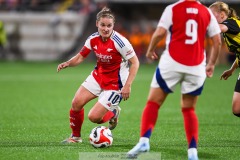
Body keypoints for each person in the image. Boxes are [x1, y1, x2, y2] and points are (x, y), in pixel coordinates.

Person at [127, 0, 222, 160]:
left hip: (172, 63)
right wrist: (211, 64)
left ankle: (144, 141)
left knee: (153, 102)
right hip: (197, 66)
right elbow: (217, 41)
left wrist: (150, 51)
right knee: (188, 109)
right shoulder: (206, 12)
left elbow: (159, 33)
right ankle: (192, 153)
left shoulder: (173, 9)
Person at [57, 7, 139, 143]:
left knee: (94, 118)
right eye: (103, 25)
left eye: (109, 26)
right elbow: (80, 57)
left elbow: (135, 63)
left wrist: (128, 86)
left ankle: (113, 112)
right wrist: (68, 63)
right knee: (76, 103)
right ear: (97, 24)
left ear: (113, 25)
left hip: (116, 84)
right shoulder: (93, 39)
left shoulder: (121, 42)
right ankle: (75, 137)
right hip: (98, 76)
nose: (106, 29)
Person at [209, 1, 240, 118]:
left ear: (222, 14)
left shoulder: (232, 23)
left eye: (212, 15)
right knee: (237, 109)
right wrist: (231, 70)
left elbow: (220, 28)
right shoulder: (228, 33)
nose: (210, 19)